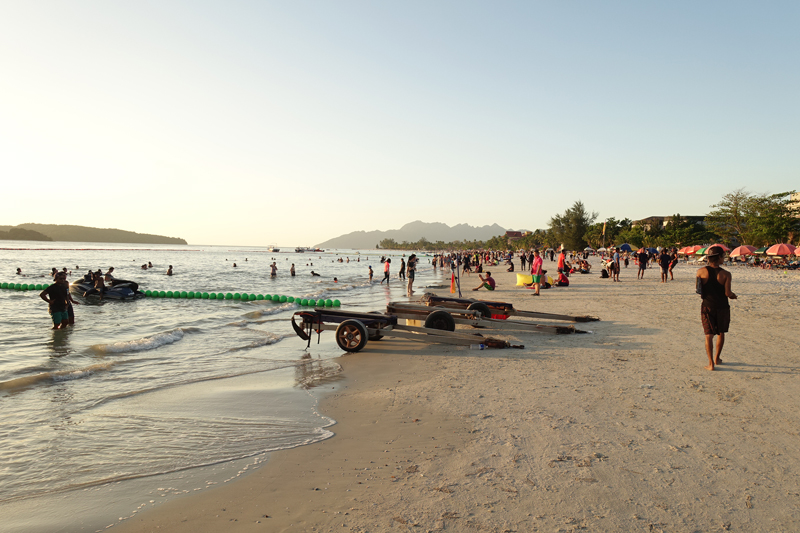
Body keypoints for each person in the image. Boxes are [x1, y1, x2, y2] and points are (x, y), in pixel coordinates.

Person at [696, 246, 737, 371]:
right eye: (723, 256)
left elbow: (699, 290)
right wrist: (733, 296)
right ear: (719, 258)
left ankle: (710, 364)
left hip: (707, 306)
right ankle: (717, 358)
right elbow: (727, 293)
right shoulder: (726, 274)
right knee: (720, 332)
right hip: (722, 307)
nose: (724, 258)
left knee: (708, 335)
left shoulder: (700, 271)